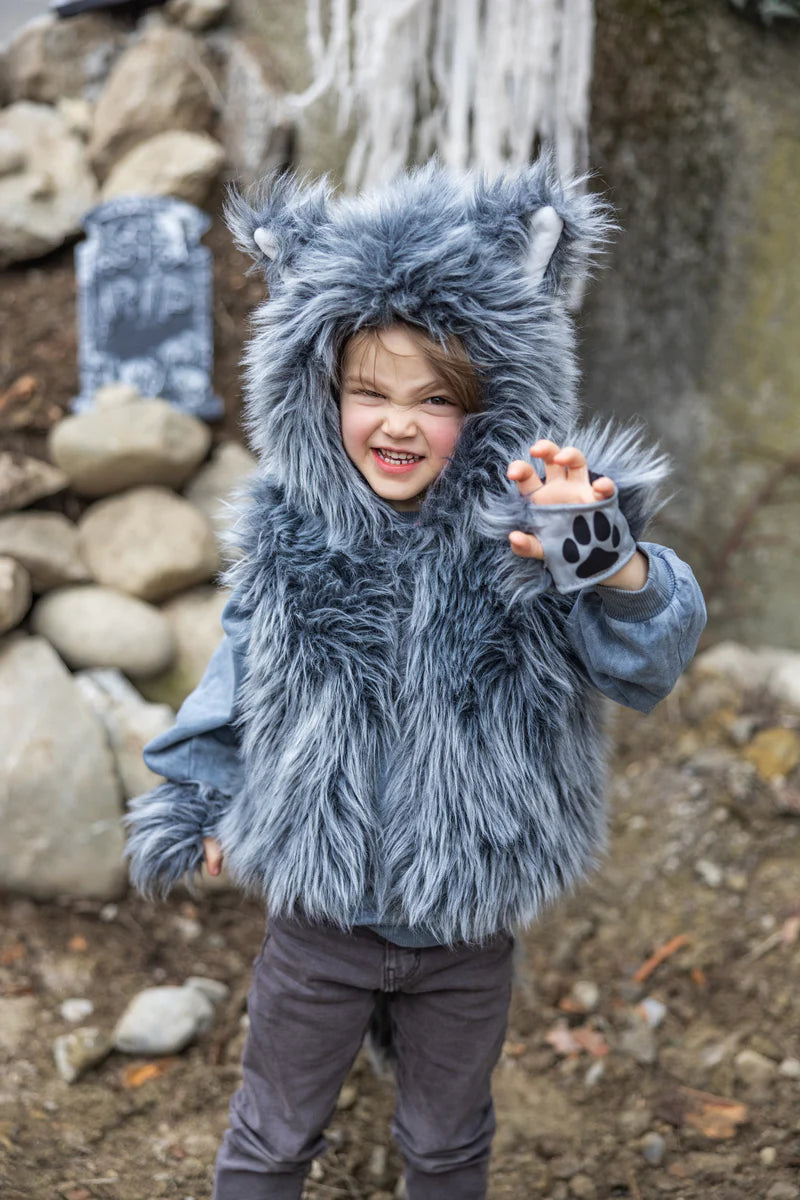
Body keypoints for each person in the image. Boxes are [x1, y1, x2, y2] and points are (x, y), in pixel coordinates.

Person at [124, 157, 707, 1200]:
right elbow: (242, 670)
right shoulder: (293, 540)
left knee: (445, 1142)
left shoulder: (532, 538)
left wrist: (609, 561)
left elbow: (645, 656)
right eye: (367, 392)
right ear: (318, 393)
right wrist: (201, 792)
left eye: (435, 399)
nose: (396, 424)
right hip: (320, 917)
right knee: (269, 1132)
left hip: (464, 925)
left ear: (487, 409)